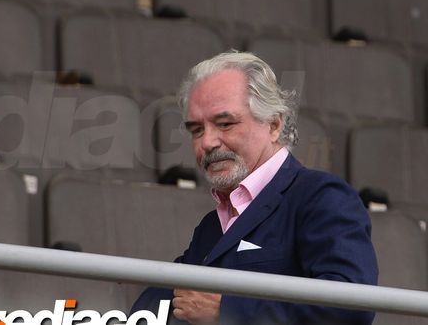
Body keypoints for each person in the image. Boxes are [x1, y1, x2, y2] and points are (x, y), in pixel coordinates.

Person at [131, 52, 378, 324]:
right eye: (196, 130)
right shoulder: (211, 225)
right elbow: (160, 300)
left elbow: (350, 308)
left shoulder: (321, 197)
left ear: (274, 125)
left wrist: (225, 311)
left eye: (225, 124)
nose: (207, 142)